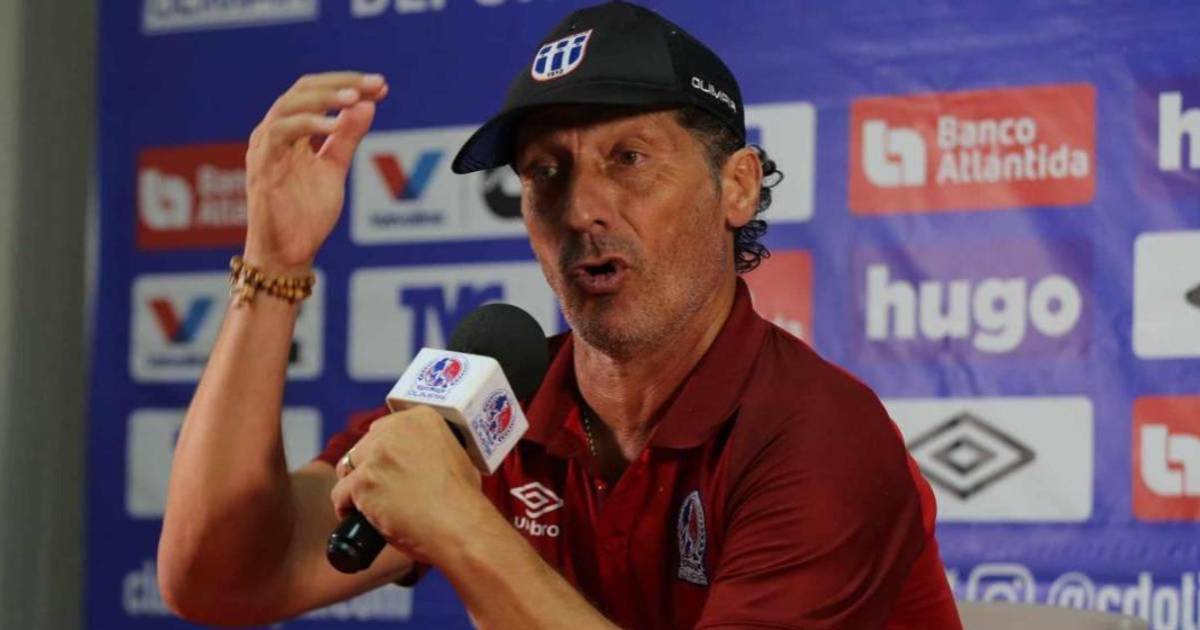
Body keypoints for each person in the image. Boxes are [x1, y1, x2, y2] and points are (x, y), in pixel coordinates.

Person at [158, 2, 962, 628]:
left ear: (738, 186)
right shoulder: (495, 401)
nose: (581, 210)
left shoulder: (820, 434)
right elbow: (220, 581)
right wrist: (274, 263)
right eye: (545, 172)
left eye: (629, 159)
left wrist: (460, 526)